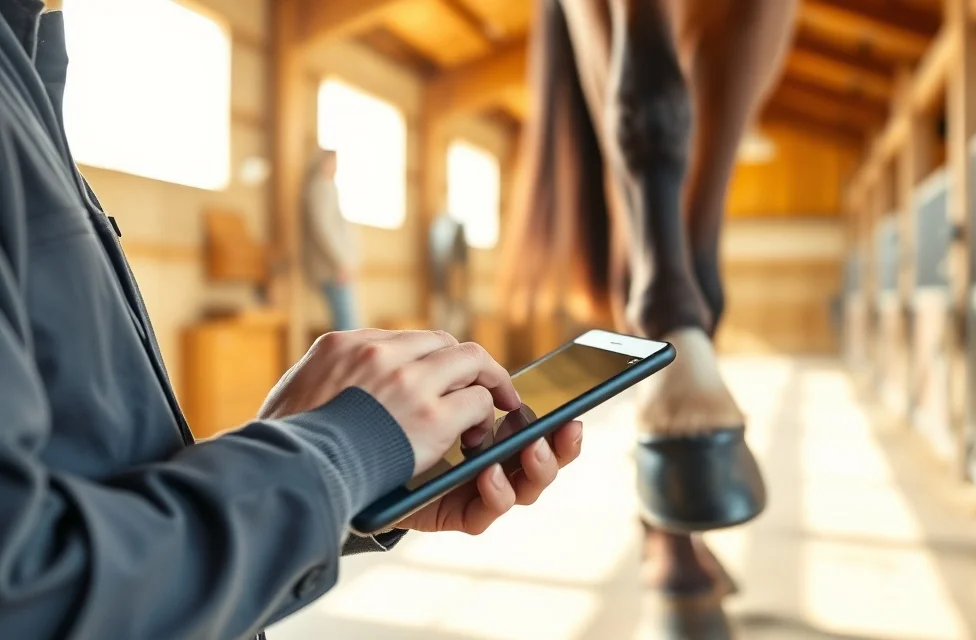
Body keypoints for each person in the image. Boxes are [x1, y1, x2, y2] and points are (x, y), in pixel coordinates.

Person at [0, 5, 582, 639]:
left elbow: (96, 478)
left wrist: (340, 489)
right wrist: (338, 451)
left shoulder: (28, 71)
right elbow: (28, 594)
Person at [303, 148, 360, 331]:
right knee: (347, 323)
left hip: (335, 267)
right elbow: (323, 227)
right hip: (333, 269)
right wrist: (341, 262)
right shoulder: (322, 186)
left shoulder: (323, 186)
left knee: (346, 320)